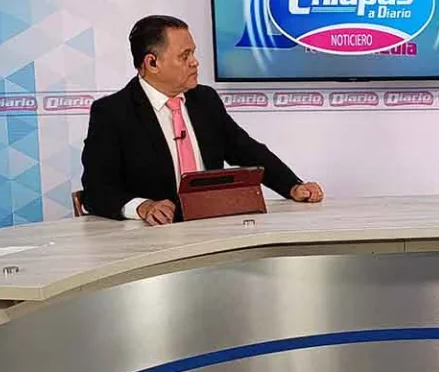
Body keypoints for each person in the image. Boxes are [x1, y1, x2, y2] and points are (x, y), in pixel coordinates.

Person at [81, 15, 323, 225]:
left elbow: (247, 150)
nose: (194, 62)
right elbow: (96, 190)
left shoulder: (205, 100)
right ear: (152, 63)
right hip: (152, 239)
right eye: (184, 56)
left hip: (211, 228)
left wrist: (292, 186)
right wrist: (142, 207)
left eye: (193, 53)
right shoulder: (112, 113)